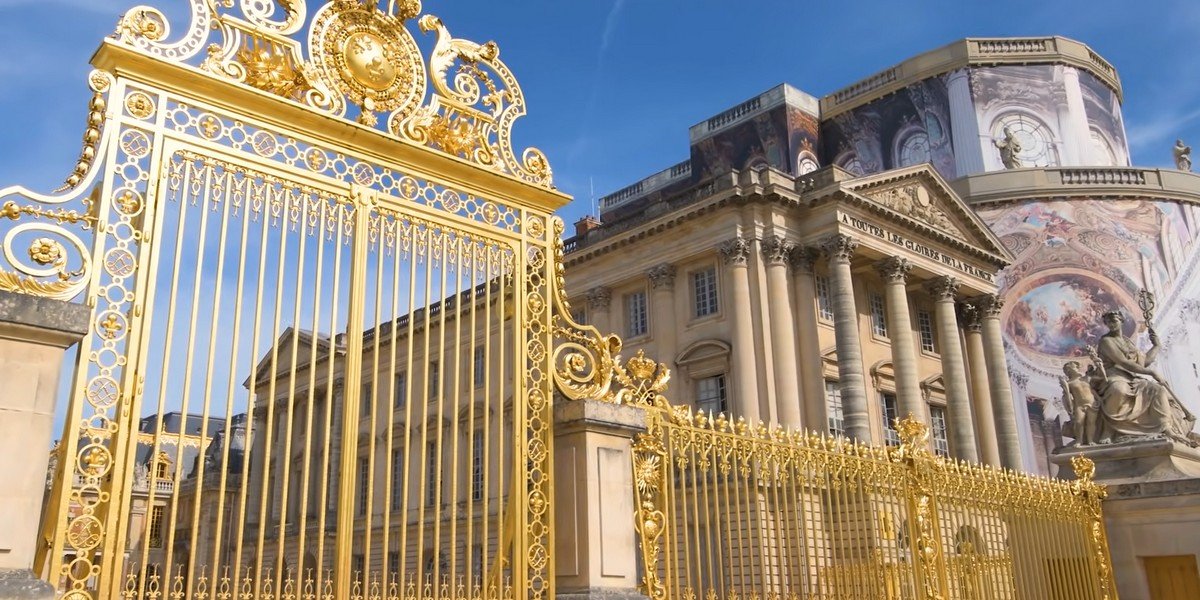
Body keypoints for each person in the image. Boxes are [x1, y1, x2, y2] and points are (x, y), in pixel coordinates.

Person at [1094, 311, 1195, 441]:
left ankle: (1165, 428)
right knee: (1119, 390)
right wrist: (1151, 372)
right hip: (1113, 375)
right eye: (1108, 322)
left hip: (1131, 377)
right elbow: (1123, 362)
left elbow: (1144, 361)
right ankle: (1109, 430)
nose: (1111, 324)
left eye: (1114, 320)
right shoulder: (1105, 341)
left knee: (1157, 389)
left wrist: (1157, 346)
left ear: (1121, 320)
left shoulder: (1127, 342)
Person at [1060, 359, 1100, 445]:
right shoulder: (1069, 383)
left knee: (1091, 422)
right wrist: (1065, 388)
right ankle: (1079, 441)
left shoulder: (1086, 378)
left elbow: (1094, 388)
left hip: (1092, 403)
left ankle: (1090, 440)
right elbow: (1067, 397)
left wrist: (1099, 365)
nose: (1077, 368)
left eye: (1076, 367)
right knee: (1078, 422)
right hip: (1079, 405)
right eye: (1075, 367)